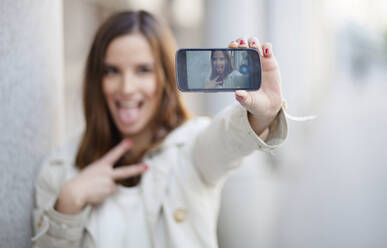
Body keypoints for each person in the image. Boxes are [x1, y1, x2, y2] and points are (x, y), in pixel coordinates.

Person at [31, 10, 288, 248]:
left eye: (143, 70)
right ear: (96, 80)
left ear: (164, 77)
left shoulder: (192, 147)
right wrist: (68, 204)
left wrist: (260, 115)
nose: (127, 87)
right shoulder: (59, 169)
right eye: (112, 71)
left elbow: (228, 139)